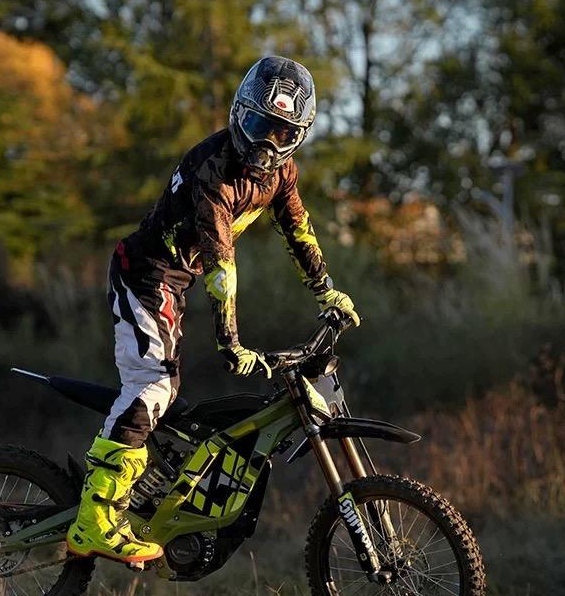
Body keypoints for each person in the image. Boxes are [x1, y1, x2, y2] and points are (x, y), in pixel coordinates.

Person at [66, 56, 360, 564]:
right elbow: (222, 263)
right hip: (147, 273)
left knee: (169, 395)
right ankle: (94, 518)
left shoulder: (282, 173)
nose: (266, 143)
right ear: (238, 113)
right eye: (258, 124)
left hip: (175, 281)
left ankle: (146, 495)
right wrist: (230, 341)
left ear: (298, 136)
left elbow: (299, 230)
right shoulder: (213, 170)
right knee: (152, 385)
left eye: (280, 132)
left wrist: (327, 290)